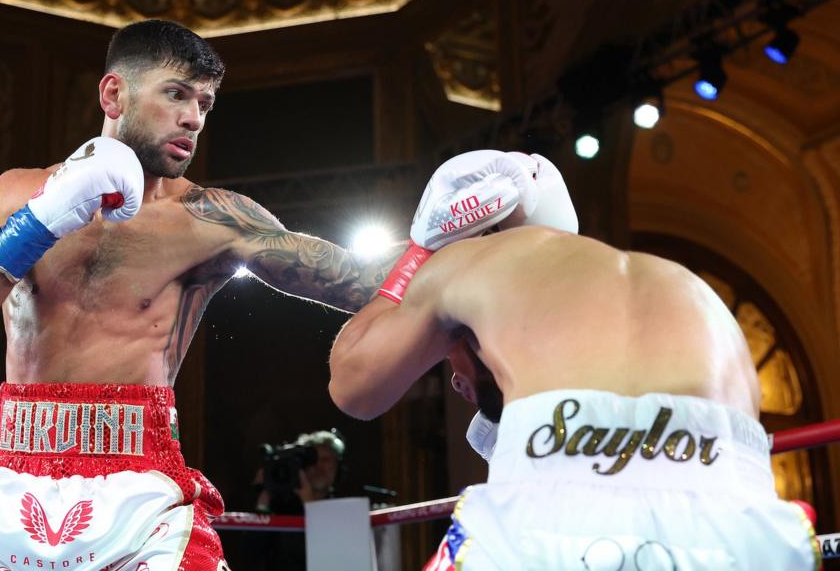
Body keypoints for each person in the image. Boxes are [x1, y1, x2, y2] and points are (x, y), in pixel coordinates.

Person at [0, 19, 406, 571]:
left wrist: (455, 238)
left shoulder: (213, 219)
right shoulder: (20, 193)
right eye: (176, 94)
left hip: (139, 496)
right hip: (8, 479)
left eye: (206, 103)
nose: (194, 117)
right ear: (114, 93)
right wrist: (42, 219)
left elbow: (358, 280)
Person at [328, 150, 820, 570]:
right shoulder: (692, 290)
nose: (454, 380)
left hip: (558, 511)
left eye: (453, 346)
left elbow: (354, 386)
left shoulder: (473, 262)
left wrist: (419, 254)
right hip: (739, 519)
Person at [247, 430, 345, 570]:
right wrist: (263, 504)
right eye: (313, 460)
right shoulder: (280, 507)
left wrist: (310, 505)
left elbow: (333, 559)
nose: (319, 467)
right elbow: (251, 557)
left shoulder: (345, 511)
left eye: (326, 460)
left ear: (338, 467)